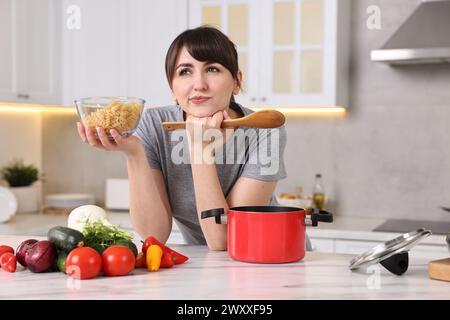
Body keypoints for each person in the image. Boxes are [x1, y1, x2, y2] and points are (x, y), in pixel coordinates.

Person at [76, 26, 287, 250]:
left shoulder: (264, 130)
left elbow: (225, 239)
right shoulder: (153, 125)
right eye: (185, 71)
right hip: (207, 264)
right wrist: (134, 153)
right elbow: (153, 234)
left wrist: (200, 151)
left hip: (271, 256)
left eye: (213, 69)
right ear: (172, 87)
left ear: (236, 81)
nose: (199, 85)